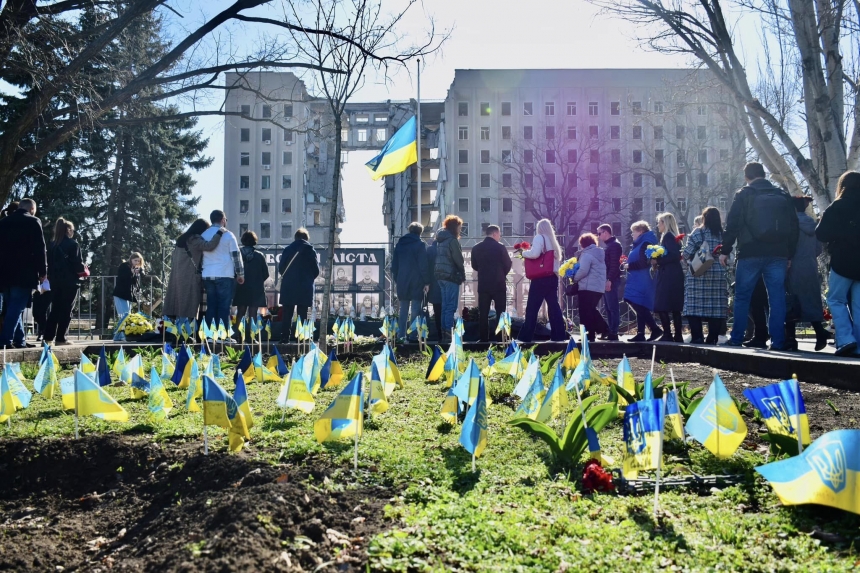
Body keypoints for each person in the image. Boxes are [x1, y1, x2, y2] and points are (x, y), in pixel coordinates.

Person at [720, 162, 799, 350]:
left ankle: (737, 338)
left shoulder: (744, 194)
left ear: (747, 177)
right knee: (776, 297)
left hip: (749, 252)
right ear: (764, 174)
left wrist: (725, 250)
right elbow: (794, 227)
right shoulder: (782, 195)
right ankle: (778, 341)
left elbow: (733, 224)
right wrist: (789, 254)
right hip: (778, 253)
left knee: (742, 296)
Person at [815, 171, 860, 356]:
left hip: (843, 260)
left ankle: (846, 338)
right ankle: (858, 346)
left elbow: (821, 233)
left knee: (835, 298)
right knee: (859, 305)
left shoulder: (838, 206)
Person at [784, 196, 829, 351]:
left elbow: (787, 246)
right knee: (811, 300)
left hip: (792, 266)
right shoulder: (813, 224)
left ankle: (791, 339)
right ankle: (819, 332)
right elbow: (818, 249)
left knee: (790, 301)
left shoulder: (790, 224)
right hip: (810, 265)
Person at [0, 198, 47, 348]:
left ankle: (19, 340)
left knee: (12, 305)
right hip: (24, 272)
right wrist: (43, 271)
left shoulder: (4, 222)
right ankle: (5, 340)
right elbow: (40, 248)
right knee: (17, 307)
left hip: (4, 272)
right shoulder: (33, 221)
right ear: (32, 209)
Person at [683, 207, 728, 344]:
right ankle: (712, 338)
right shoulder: (724, 235)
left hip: (698, 273)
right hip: (718, 274)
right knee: (716, 307)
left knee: (693, 306)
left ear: (704, 218)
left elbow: (686, 253)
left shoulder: (698, 232)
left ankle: (697, 337)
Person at [164, 218, 223, 321]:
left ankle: (178, 331)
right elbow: (209, 246)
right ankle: (186, 332)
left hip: (177, 276)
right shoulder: (194, 239)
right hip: (189, 276)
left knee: (178, 304)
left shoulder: (182, 239)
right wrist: (219, 233)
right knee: (188, 304)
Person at [519, 218, 566, 342]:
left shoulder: (539, 237)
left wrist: (523, 253)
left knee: (532, 307)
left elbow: (535, 254)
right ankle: (559, 335)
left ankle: (526, 336)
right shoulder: (553, 240)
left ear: (539, 228)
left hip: (540, 278)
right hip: (553, 277)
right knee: (553, 306)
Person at [43, 218, 85, 346]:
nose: (73, 232)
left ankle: (48, 338)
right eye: (72, 230)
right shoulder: (73, 244)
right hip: (70, 281)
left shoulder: (52, 245)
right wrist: (84, 268)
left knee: (55, 309)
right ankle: (61, 338)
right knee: (67, 310)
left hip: (55, 281)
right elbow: (78, 265)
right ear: (68, 230)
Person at [201, 210, 244, 331]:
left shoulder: (204, 234)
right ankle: (223, 334)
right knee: (224, 307)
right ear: (223, 220)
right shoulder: (228, 235)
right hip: (225, 274)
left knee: (211, 306)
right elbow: (236, 256)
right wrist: (240, 274)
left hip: (207, 274)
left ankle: (209, 334)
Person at [470, 224, 512, 341]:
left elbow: (474, 265)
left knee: (483, 313)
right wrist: (502, 274)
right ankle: (500, 338)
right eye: (499, 234)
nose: (500, 237)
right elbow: (508, 264)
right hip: (499, 284)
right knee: (500, 312)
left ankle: (484, 338)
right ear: (494, 234)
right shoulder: (501, 247)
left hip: (484, 284)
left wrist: (484, 271)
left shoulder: (476, 248)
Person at [278, 228, 319, 343]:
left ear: (295, 238)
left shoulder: (287, 249)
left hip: (288, 286)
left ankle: (284, 338)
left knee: (287, 313)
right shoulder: (311, 250)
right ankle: (301, 338)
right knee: (302, 312)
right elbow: (316, 270)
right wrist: (308, 278)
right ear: (306, 238)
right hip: (305, 286)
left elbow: (281, 268)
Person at [391, 222, 430, 342]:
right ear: (420, 232)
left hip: (402, 280)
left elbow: (394, 265)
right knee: (415, 310)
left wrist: (398, 279)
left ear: (409, 230)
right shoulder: (420, 245)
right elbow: (423, 265)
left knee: (403, 309)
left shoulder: (400, 244)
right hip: (416, 281)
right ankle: (413, 336)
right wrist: (427, 282)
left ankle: (401, 336)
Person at [624, 221, 662, 342]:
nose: (632, 234)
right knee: (639, 303)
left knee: (635, 302)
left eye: (633, 232)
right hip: (639, 279)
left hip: (642, 279)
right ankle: (641, 333)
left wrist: (628, 266)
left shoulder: (645, 243)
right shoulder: (641, 243)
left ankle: (655, 329)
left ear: (640, 231)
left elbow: (643, 262)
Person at [653, 212, 685, 342]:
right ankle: (678, 335)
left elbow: (673, 255)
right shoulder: (673, 237)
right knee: (675, 307)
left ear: (664, 223)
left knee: (661, 304)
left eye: (659, 223)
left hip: (668, 275)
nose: (658, 225)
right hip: (675, 274)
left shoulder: (667, 237)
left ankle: (667, 334)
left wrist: (657, 260)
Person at [434, 215, 466, 342]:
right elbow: (459, 260)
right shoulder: (452, 240)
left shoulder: (440, 239)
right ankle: (449, 335)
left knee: (444, 306)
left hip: (440, 276)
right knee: (451, 306)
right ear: (455, 226)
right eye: (459, 226)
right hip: (451, 276)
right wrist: (462, 273)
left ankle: (444, 333)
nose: (460, 229)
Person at [572, 232, 609, 341]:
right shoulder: (599, 253)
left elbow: (583, 270)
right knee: (591, 310)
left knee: (585, 312)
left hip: (587, 287)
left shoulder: (587, 254)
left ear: (583, 244)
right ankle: (603, 330)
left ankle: (589, 335)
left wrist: (574, 278)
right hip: (598, 287)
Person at [233, 231, 270, 335]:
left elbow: (233, 271)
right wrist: (257, 280)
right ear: (254, 241)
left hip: (241, 287)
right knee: (253, 313)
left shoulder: (238, 254)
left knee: (240, 311)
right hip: (256, 288)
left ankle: (237, 335)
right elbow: (266, 274)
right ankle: (252, 337)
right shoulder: (260, 256)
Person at [112, 252, 145, 342]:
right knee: (124, 315)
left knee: (127, 315)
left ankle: (118, 335)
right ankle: (119, 335)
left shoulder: (136, 268)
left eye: (138, 261)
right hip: (120, 293)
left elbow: (135, 283)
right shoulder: (124, 266)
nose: (136, 262)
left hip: (128, 295)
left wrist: (138, 273)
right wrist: (132, 272)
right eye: (135, 260)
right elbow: (122, 278)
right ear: (131, 260)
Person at [597, 224, 622, 341]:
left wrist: (609, 280)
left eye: (599, 233)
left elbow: (614, 265)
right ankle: (611, 331)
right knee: (608, 307)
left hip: (610, 280)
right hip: (607, 279)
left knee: (612, 307)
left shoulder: (614, 245)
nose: (598, 236)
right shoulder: (611, 245)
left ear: (606, 232)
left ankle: (614, 332)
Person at [426, 237, 443, 342]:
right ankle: (445, 334)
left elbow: (426, 267)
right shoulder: (447, 248)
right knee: (446, 310)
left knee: (437, 309)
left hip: (433, 283)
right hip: (446, 282)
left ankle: (438, 334)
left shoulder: (430, 249)